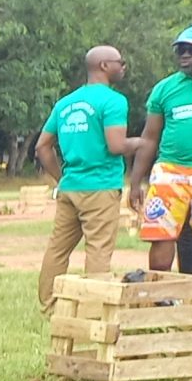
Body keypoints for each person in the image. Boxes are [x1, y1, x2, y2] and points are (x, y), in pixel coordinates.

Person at [35, 46, 131, 309]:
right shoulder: (113, 101)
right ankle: (93, 310)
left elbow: (42, 147)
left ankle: (49, 305)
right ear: (103, 66)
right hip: (101, 187)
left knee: (57, 249)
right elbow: (115, 145)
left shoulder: (65, 103)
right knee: (98, 249)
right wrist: (143, 144)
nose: (123, 67)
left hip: (71, 187)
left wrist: (61, 176)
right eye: (119, 62)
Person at [128, 26, 192, 276]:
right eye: (181, 50)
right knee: (162, 233)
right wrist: (135, 181)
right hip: (170, 170)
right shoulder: (164, 89)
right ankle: (161, 294)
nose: (185, 55)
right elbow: (149, 138)